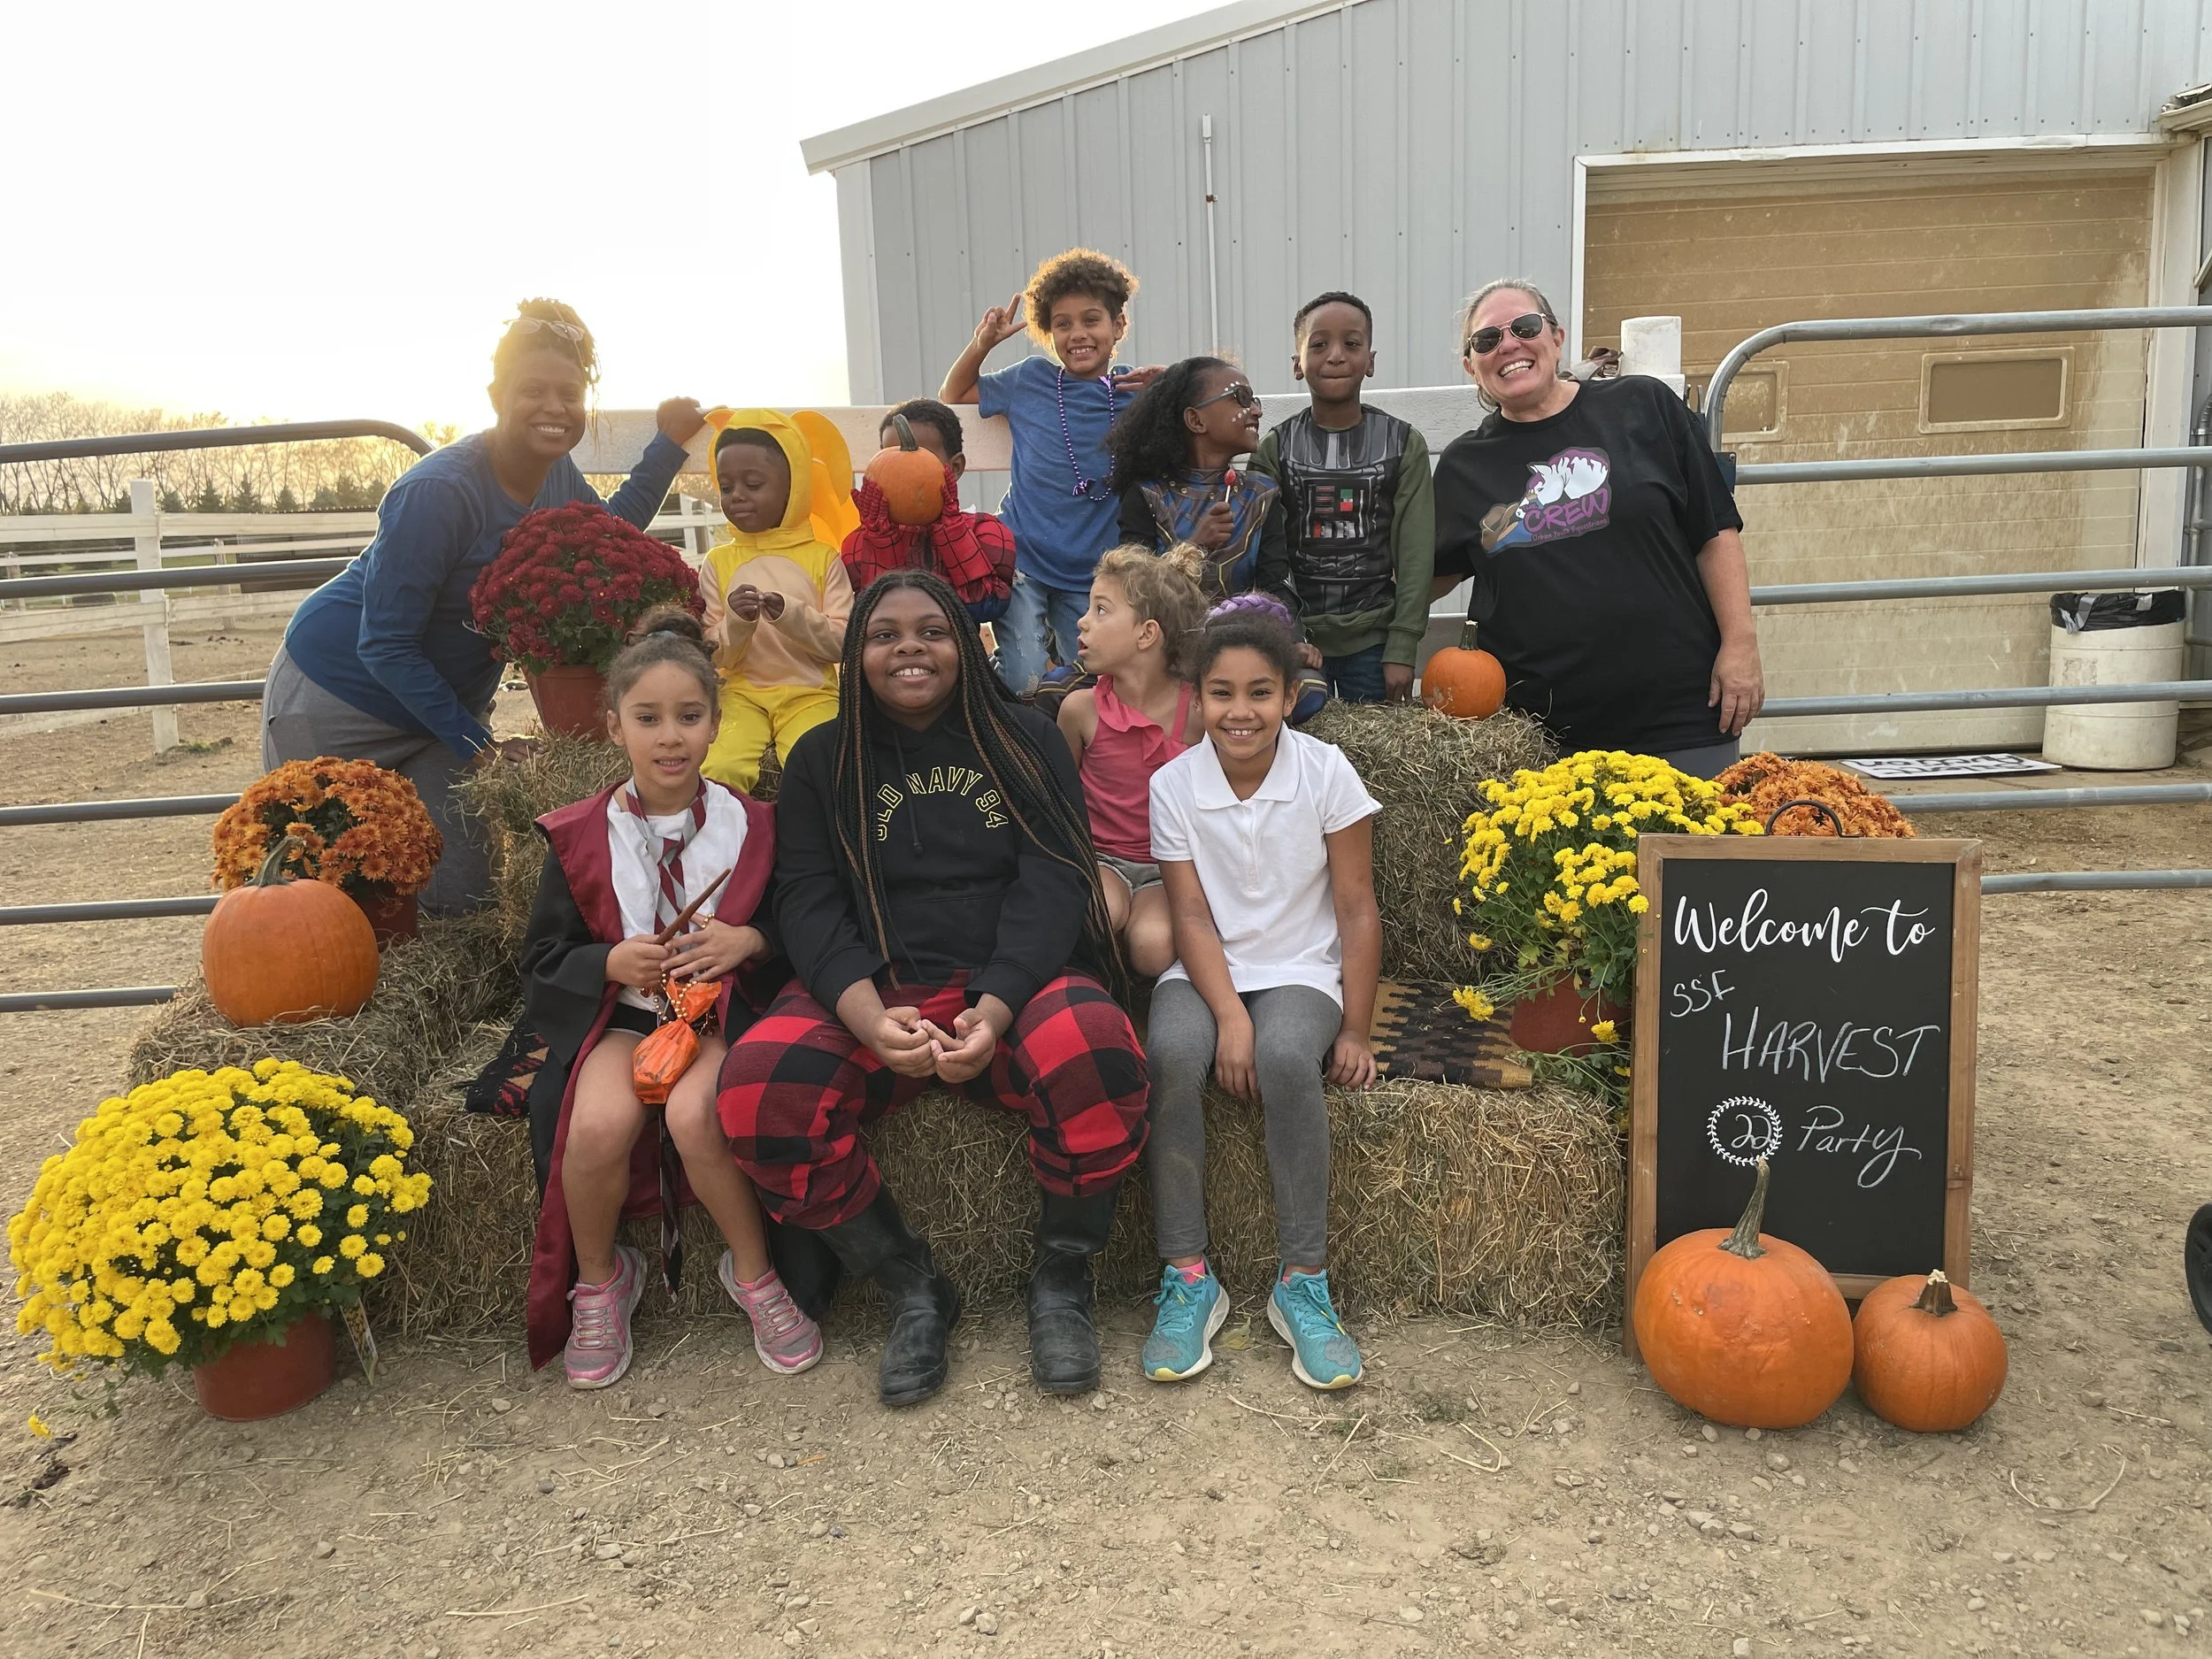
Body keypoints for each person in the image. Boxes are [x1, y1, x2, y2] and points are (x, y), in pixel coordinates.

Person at [718, 571, 1150, 1407]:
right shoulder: (822, 758)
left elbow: (1056, 879)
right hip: (878, 990)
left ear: (966, 639)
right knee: (759, 1087)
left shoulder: (1028, 739)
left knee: (1095, 1052)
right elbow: (806, 899)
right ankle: (911, 1285)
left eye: (932, 630)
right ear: (855, 653)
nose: (909, 647)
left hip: (1011, 984)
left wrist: (994, 1008)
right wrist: (867, 1015)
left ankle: (1061, 1278)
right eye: (885, 634)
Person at [267, 300, 705, 910]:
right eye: (533, 389)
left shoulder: (554, 475)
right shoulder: (438, 492)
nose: (554, 407)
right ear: (495, 393)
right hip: (338, 699)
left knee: (460, 898)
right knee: (330, 896)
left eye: (570, 393)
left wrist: (667, 447)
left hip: (442, 714)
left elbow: (605, 533)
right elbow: (384, 642)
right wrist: (481, 744)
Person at [518, 610, 821, 1389]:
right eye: (647, 718)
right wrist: (609, 960)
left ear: (717, 724)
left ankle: (753, 1275)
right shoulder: (580, 835)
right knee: (594, 1126)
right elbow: (545, 957)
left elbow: (802, 921)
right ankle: (600, 1282)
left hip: (716, 1016)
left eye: (689, 716)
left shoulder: (756, 827)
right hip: (624, 1020)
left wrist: (749, 942)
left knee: (696, 1114)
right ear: (613, 726)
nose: (670, 736)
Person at [1141, 606, 1383, 1392]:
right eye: (1220, 693)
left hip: (1301, 969)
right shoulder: (1173, 784)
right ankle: (1187, 1276)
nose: (1239, 711)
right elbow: (1188, 916)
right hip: (1209, 968)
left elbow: (1355, 910)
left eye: (1259, 692)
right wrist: (1229, 1016)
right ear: (1197, 698)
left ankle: (1301, 1281)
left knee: (1286, 1058)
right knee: (1172, 1051)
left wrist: (1356, 1027)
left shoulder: (1326, 771)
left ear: (1289, 695)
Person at [1431, 279, 1764, 777]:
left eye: (1524, 327)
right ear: (1471, 367)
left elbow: (1715, 532)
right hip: (1543, 739)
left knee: (1689, 853)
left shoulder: (1643, 407)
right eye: (1486, 340)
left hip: (1681, 716)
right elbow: (1423, 577)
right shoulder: (1463, 467)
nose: (1509, 345)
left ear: (1557, 337)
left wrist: (1740, 644)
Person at [941, 249, 1162, 693]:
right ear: (1047, 332)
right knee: (1024, 678)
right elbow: (954, 393)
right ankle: (1003, 728)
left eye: (1091, 320)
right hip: (1025, 559)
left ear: (1118, 326)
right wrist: (983, 343)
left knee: (1087, 684)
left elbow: (1210, 406)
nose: (1078, 334)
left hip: (1093, 569)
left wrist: (1174, 381)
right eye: (1063, 324)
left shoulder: (1138, 393)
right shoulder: (1029, 380)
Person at [1110, 358, 1327, 721]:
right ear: (1196, 420)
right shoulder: (1146, 495)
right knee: (1060, 690)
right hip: (1162, 651)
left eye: (1253, 399)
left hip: (1241, 646)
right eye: (1240, 398)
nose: (1255, 409)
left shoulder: (1262, 495)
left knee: (1308, 689)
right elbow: (1131, 591)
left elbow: (1275, 583)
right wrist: (1194, 545)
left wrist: (1290, 642)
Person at [1250, 291, 1436, 704]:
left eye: (1351, 344)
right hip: (1296, 643)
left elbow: (1416, 555)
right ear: (1298, 364)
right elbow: (1264, 559)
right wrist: (1285, 636)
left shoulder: (1403, 444)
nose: (1335, 356)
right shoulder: (1275, 450)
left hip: (1374, 644)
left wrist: (1403, 645)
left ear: (1370, 360)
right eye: (1319, 345)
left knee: (1373, 763)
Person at [1056, 544, 1208, 978]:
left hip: (1170, 868)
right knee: (1093, 918)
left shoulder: (1198, 713)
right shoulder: (1079, 710)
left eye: (1101, 610)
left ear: (1146, 634)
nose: (1083, 621)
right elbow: (1061, 802)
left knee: (1152, 950)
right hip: (1102, 859)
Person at [696, 411, 853, 795]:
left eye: (753, 484)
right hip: (740, 696)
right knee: (719, 767)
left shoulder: (823, 557)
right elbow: (714, 655)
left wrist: (793, 617)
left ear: (793, 488)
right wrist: (736, 620)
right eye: (726, 486)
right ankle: (724, 852)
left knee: (823, 764)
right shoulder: (717, 563)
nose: (737, 496)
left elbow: (845, 642)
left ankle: (813, 851)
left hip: (810, 693)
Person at [840, 398, 1015, 625]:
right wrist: (881, 542)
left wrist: (952, 532)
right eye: (891, 456)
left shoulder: (984, 531)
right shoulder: (859, 544)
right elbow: (872, 615)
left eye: (917, 456)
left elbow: (987, 605)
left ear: (954, 468)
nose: (901, 469)